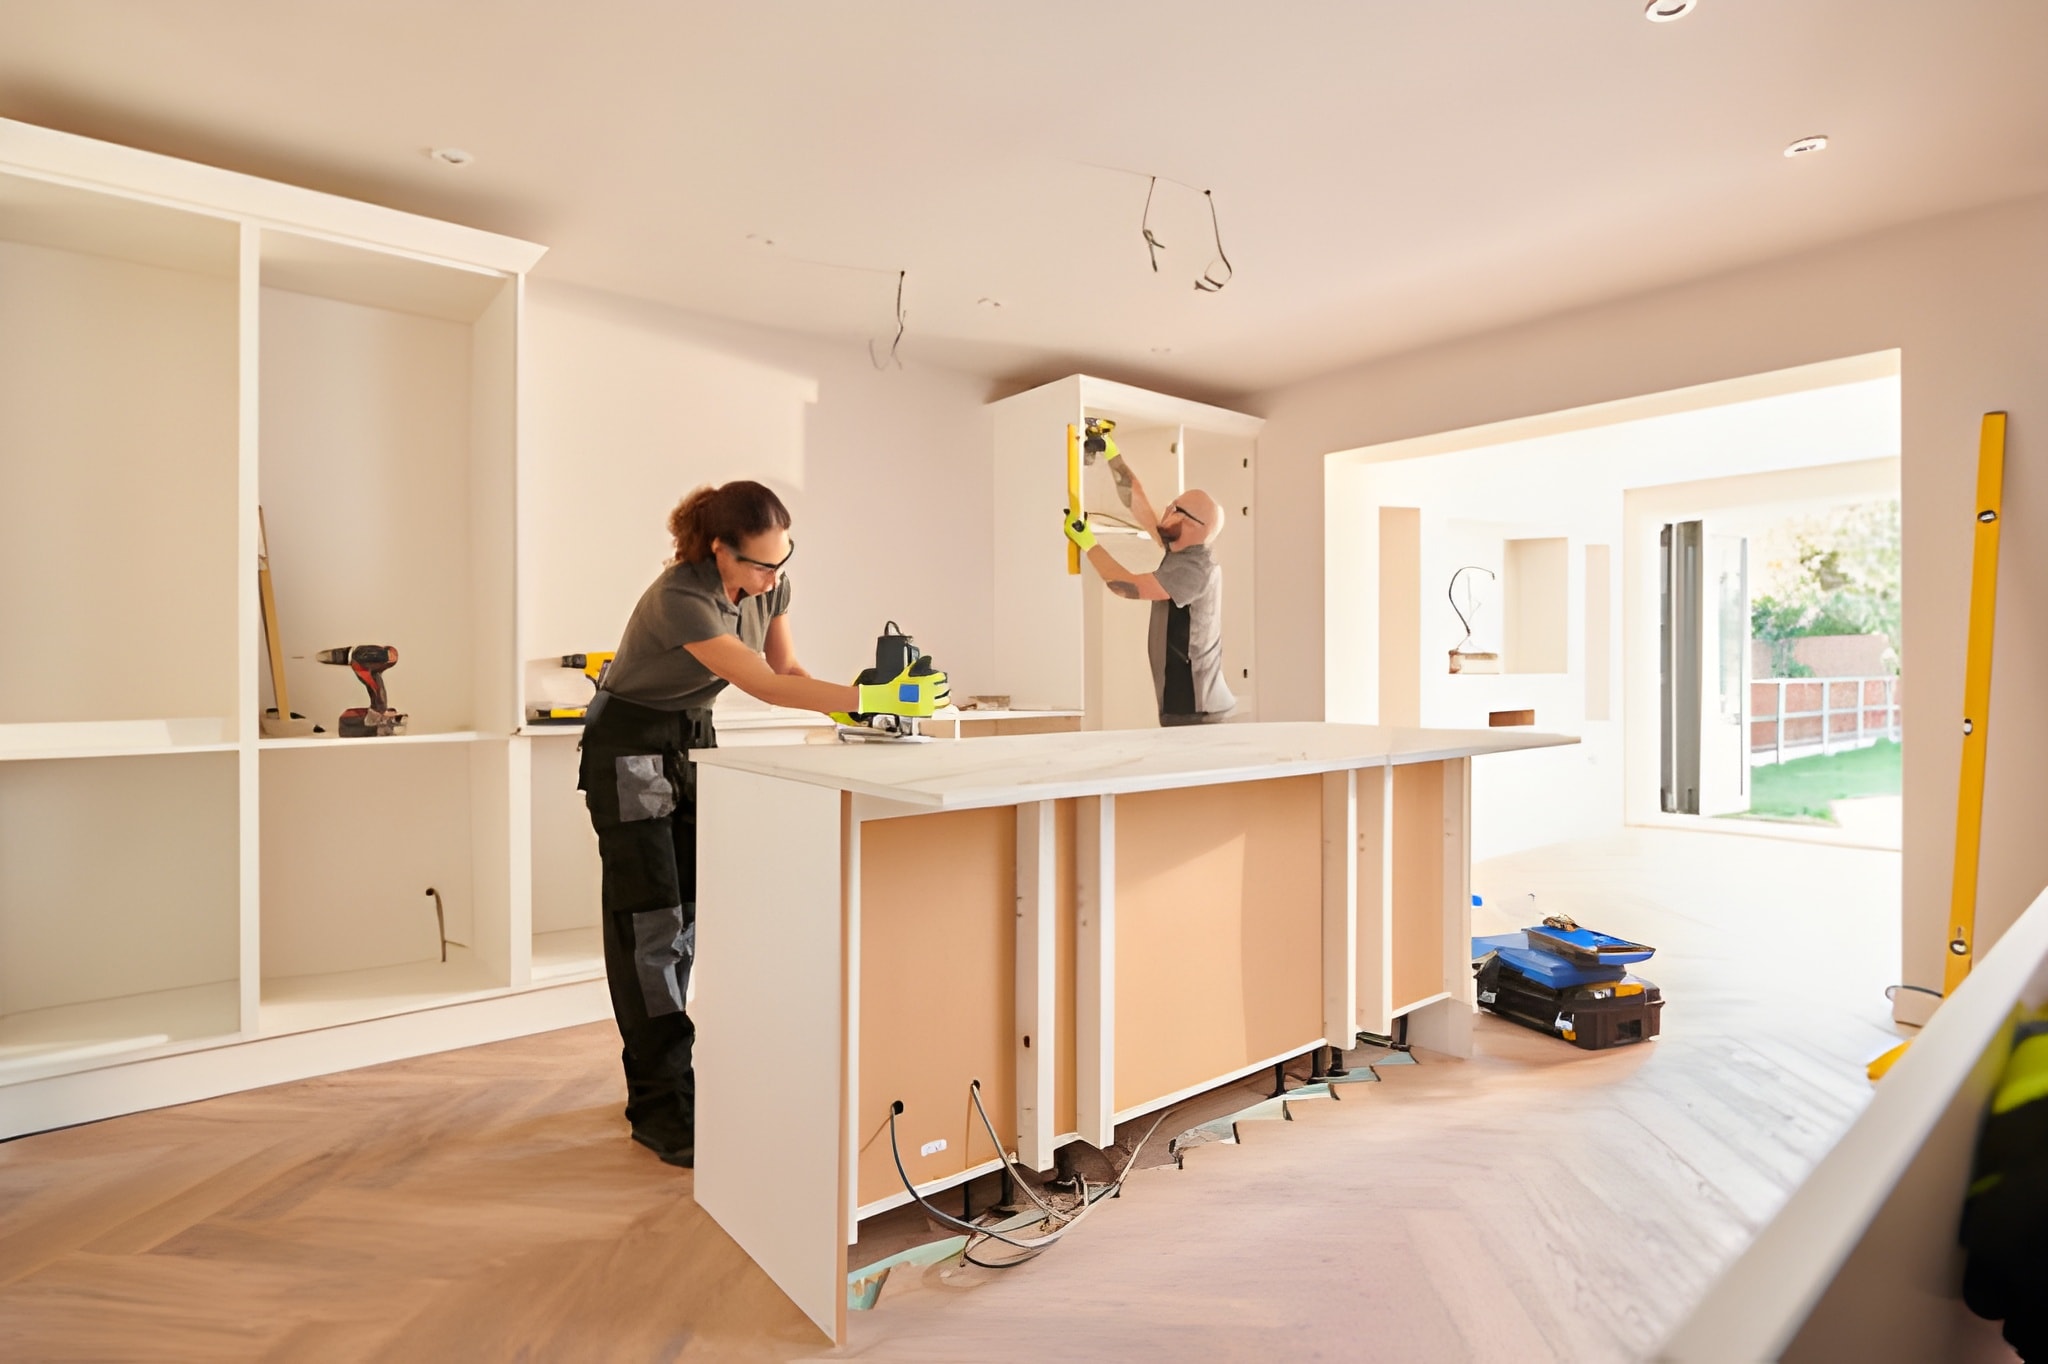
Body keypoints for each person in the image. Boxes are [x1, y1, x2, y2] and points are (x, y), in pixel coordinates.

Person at [579, 480, 947, 1168]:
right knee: (647, 925)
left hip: (692, 737)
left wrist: (866, 713)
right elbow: (764, 686)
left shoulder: (773, 587)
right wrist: (871, 696)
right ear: (718, 549)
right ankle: (660, 1106)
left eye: (782, 561)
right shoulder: (678, 599)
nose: (772, 578)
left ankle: (675, 1081)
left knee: (687, 918)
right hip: (628, 746)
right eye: (758, 564)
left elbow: (790, 668)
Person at [1061, 448, 1236, 726]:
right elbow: (1138, 503)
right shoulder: (1182, 548)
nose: (1166, 510)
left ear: (1191, 524)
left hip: (1197, 708)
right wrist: (1112, 454)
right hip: (1186, 703)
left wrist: (1088, 543)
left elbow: (1125, 586)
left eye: (1174, 509)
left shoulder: (1194, 569)